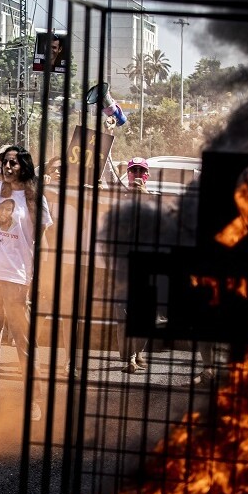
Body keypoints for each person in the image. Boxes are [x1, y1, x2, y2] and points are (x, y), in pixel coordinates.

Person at [0, 145, 52, 420]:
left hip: (18, 279)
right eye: (5, 162)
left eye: (13, 164)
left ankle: (33, 402)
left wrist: (40, 278)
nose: (7, 167)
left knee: (24, 342)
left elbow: (41, 241)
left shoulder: (35, 199)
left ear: (24, 167)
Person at [117, 157, 152, 374]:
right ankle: (129, 357)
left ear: (147, 175)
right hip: (123, 263)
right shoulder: (120, 198)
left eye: (141, 171)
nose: (137, 175)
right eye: (133, 171)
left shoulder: (152, 200)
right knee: (124, 313)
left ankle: (138, 351)